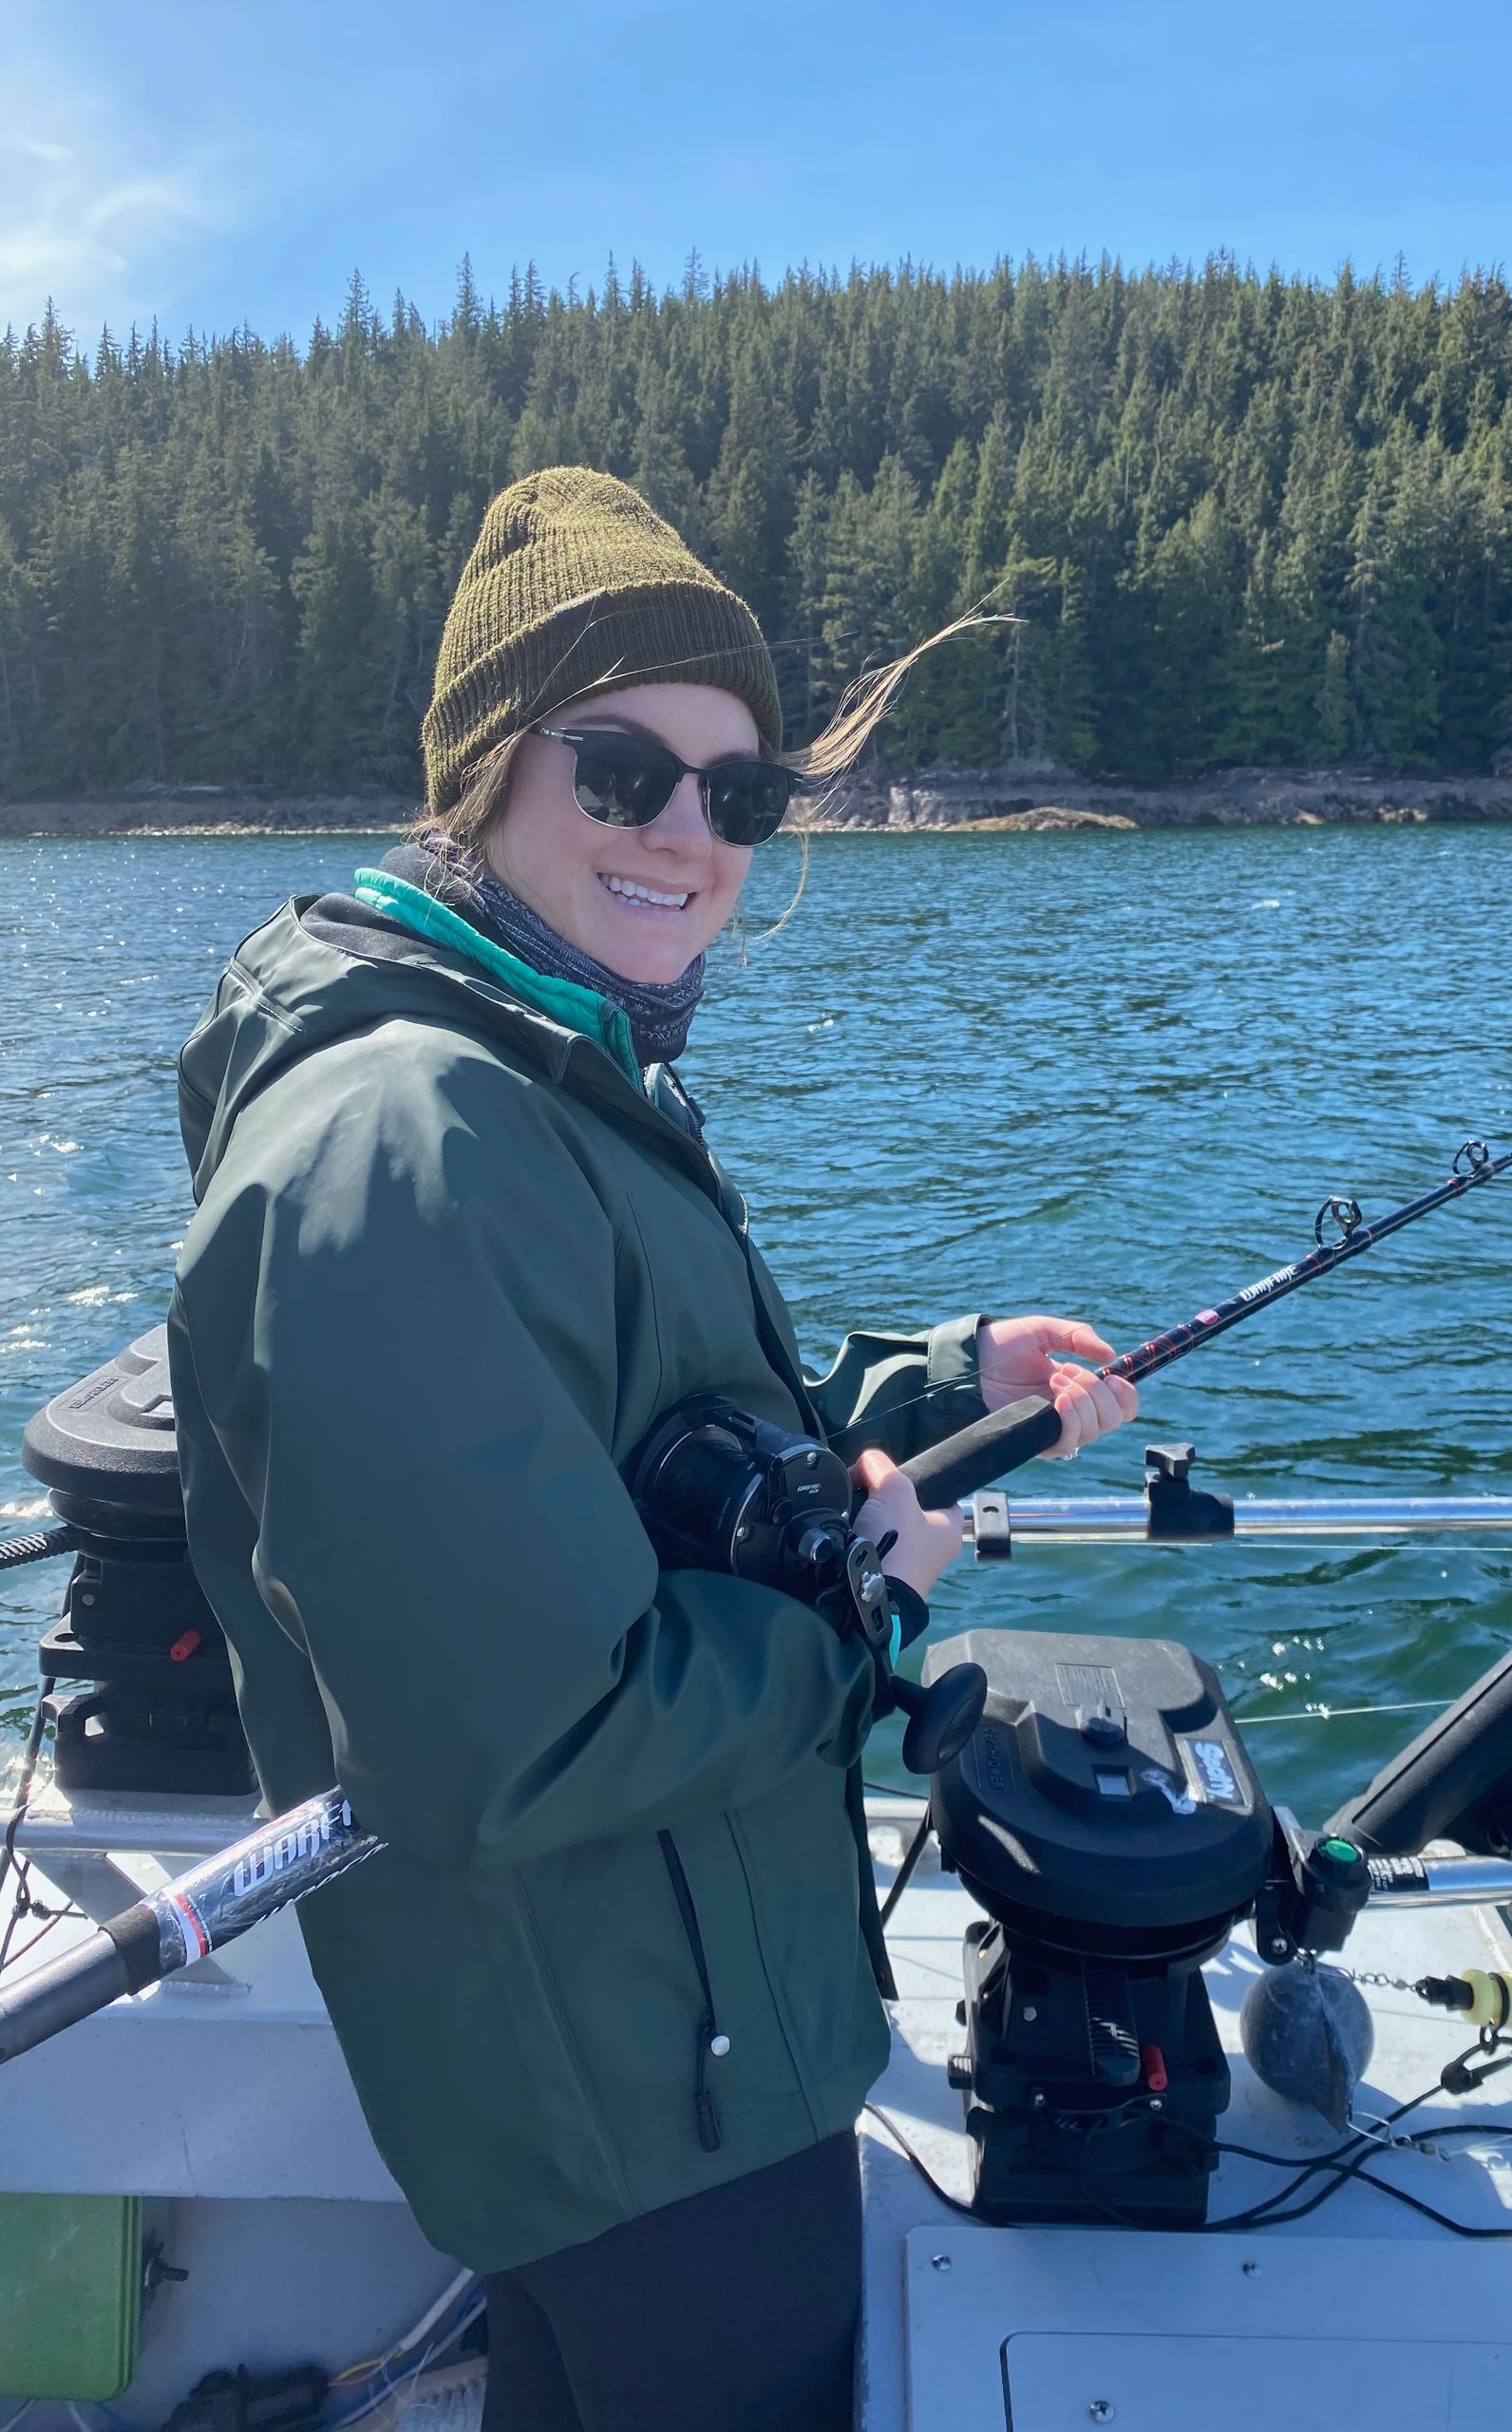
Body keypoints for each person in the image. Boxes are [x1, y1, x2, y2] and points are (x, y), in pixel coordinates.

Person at [166, 467, 1138, 2432]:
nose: (689, 837)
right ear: (484, 772)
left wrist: (942, 1386)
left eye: (739, 792)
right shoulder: (408, 1137)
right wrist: (862, 1617)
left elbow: (646, 1451)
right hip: (627, 2088)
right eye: (622, 771)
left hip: (668, 2023)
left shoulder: (545, 1059)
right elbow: (516, 1738)